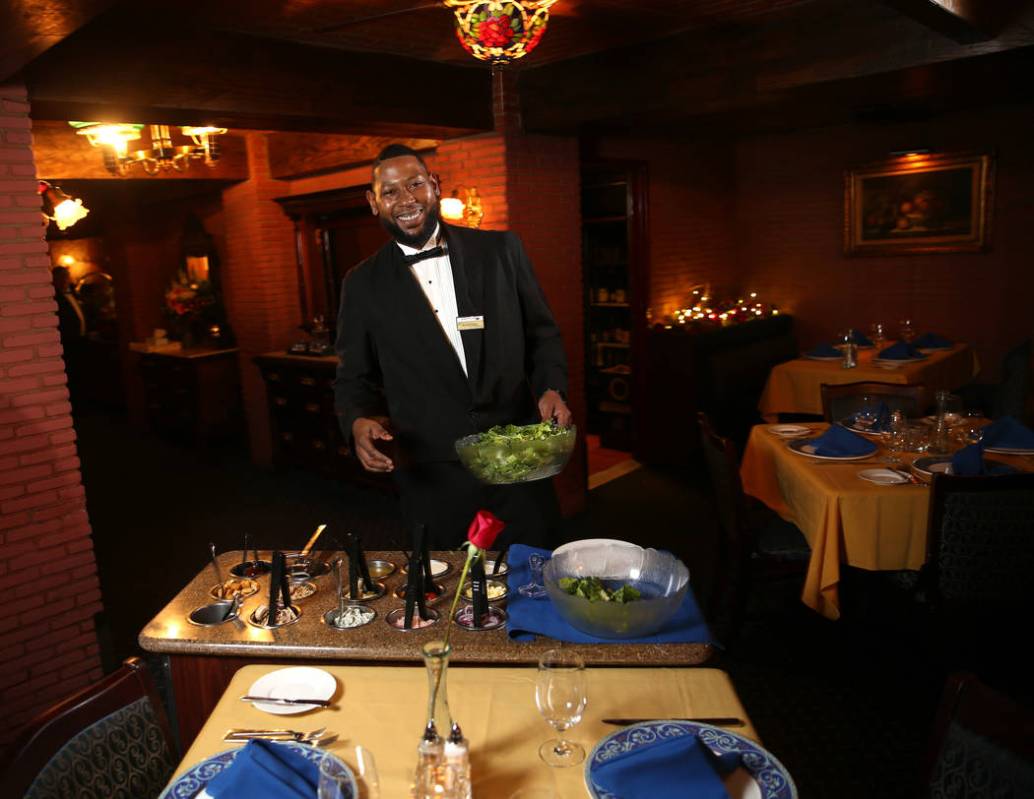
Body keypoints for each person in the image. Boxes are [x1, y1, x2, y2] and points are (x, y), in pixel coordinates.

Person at [334, 144, 572, 549]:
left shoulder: (501, 251)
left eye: (415, 184)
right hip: (432, 472)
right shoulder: (360, 284)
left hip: (518, 456)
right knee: (449, 591)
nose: (406, 199)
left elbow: (542, 334)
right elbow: (354, 376)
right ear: (373, 203)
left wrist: (552, 387)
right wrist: (358, 421)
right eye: (390, 192)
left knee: (533, 570)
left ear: (435, 186)